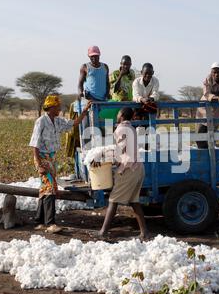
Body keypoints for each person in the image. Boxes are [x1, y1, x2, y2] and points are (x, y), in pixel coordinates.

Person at [29, 95, 92, 233]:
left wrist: (85, 111)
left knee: (45, 187)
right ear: (51, 108)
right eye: (57, 107)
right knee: (50, 188)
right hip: (42, 157)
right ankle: (50, 224)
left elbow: (74, 123)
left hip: (51, 158)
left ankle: (39, 222)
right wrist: (39, 164)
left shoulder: (57, 121)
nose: (59, 109)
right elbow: (35, 143)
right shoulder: (41, 121)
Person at [90, 107, 150, 240]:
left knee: (113, 200)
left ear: (122, 115)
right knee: (134, 201)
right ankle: (144, 233)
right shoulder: (131, 128)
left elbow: (120, 150)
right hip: (138, 168)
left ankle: (103, 232)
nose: (116, 115)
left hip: (129, 169)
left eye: (118, 113)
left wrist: (102, 156)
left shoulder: (121, 129)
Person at [196, 62, 219, 149]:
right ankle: (203, 154)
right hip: (204, 108)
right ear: (211, 73)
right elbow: (206, 94)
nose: (216, 74)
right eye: (214, 72)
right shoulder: (208, 79)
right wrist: (216, 98)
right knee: (200, 134)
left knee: (212, 134)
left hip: (217, 109)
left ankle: (212, 155)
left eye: (218, 72)